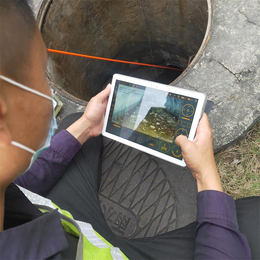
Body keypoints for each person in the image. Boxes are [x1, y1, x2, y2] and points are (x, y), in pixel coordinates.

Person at [0, 1, 259, 259]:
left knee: (75, 123)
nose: (49, 92)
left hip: (63, 222)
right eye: (39, 77)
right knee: (252, 224)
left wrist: (85, 127)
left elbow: (22, 185)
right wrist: (205, 175)